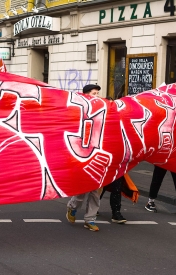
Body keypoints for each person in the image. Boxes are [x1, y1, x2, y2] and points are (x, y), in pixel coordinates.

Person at [66, 84, 102, 231]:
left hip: (99, 155)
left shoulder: (102, 111)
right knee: (82, 188)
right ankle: (73, 207)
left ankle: (90, 219)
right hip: (82, 155)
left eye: (98, 93)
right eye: (94, 93)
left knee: (96, 191)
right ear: (86, 95)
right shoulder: (78, 110)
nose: (97, 96)